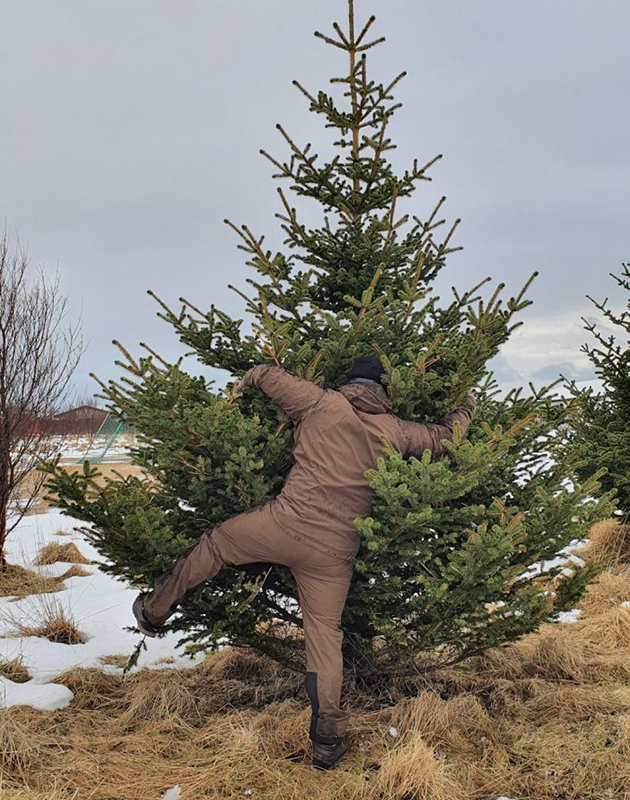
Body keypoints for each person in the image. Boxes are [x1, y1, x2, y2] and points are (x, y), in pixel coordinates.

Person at [132, 355, 476, 770]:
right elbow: (444, 437)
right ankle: (328, 739)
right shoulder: (395, 430)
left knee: (217, 544)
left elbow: (272, 379)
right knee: (324, 635)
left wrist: (249, 379)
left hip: (283, 523)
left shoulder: (322, 402)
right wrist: (466, 405)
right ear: (384, 391)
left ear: (350, 381)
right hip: (335, 554)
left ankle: (154, 610)